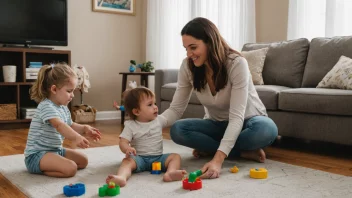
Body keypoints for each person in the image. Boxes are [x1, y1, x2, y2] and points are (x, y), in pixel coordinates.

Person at [161, 17, 278, 179]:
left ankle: (215, 149)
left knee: (266, 130)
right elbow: (176, 108)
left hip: (248, 122)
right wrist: (152, 124)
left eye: (193, 47)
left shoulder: (237, 63)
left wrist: (217, 160)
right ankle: (242, 152)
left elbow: (237, 117)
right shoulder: (188, 66)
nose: (189, 54)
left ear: (210, 42)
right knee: (178, 130)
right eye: (186, 48)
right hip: (216, 125)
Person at [24, 63, 102, 177]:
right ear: (54, 89)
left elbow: (70, 125)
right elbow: (59, 125)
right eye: (69, 91)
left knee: (83, 161)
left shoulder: (62, 107)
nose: (72, 95)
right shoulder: (46, 106)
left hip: (56, 150)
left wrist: (85, 129)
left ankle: (55, 164)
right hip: (37, 156)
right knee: (71, 168)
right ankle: (39, 170)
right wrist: (76, 137)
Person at [106, 87, 187, 187]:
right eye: (150, 104)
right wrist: (127, 148)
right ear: (136, 111)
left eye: (155, 103)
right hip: (138, 159)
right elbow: (123, 142)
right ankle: (122, 177)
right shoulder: (130, 125)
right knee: (126, 162)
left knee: (175, 157)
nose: (155, 107)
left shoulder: (159, 120)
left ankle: (171, 173)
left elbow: (172, 114)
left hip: (158, 158)